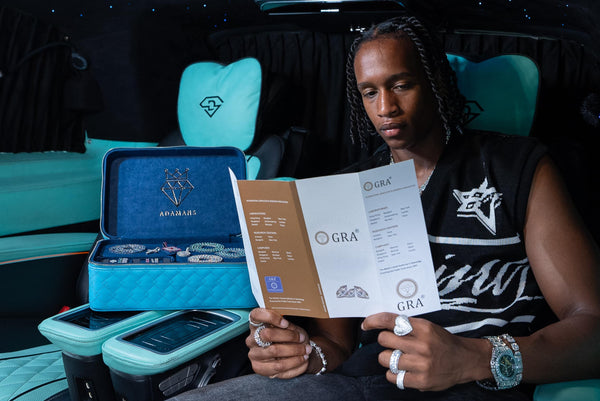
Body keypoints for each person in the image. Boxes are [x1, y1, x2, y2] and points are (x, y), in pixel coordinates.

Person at [168, 15, 600, 401]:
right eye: (370, 92)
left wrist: (473, 358)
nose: (385, 109)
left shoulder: (519, 166)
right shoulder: (347, 186)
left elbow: (592, 328)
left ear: (434, 82)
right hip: (362, 383)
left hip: (475, 385)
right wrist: (303, 353)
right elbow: (335, 346)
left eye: (400, 85)